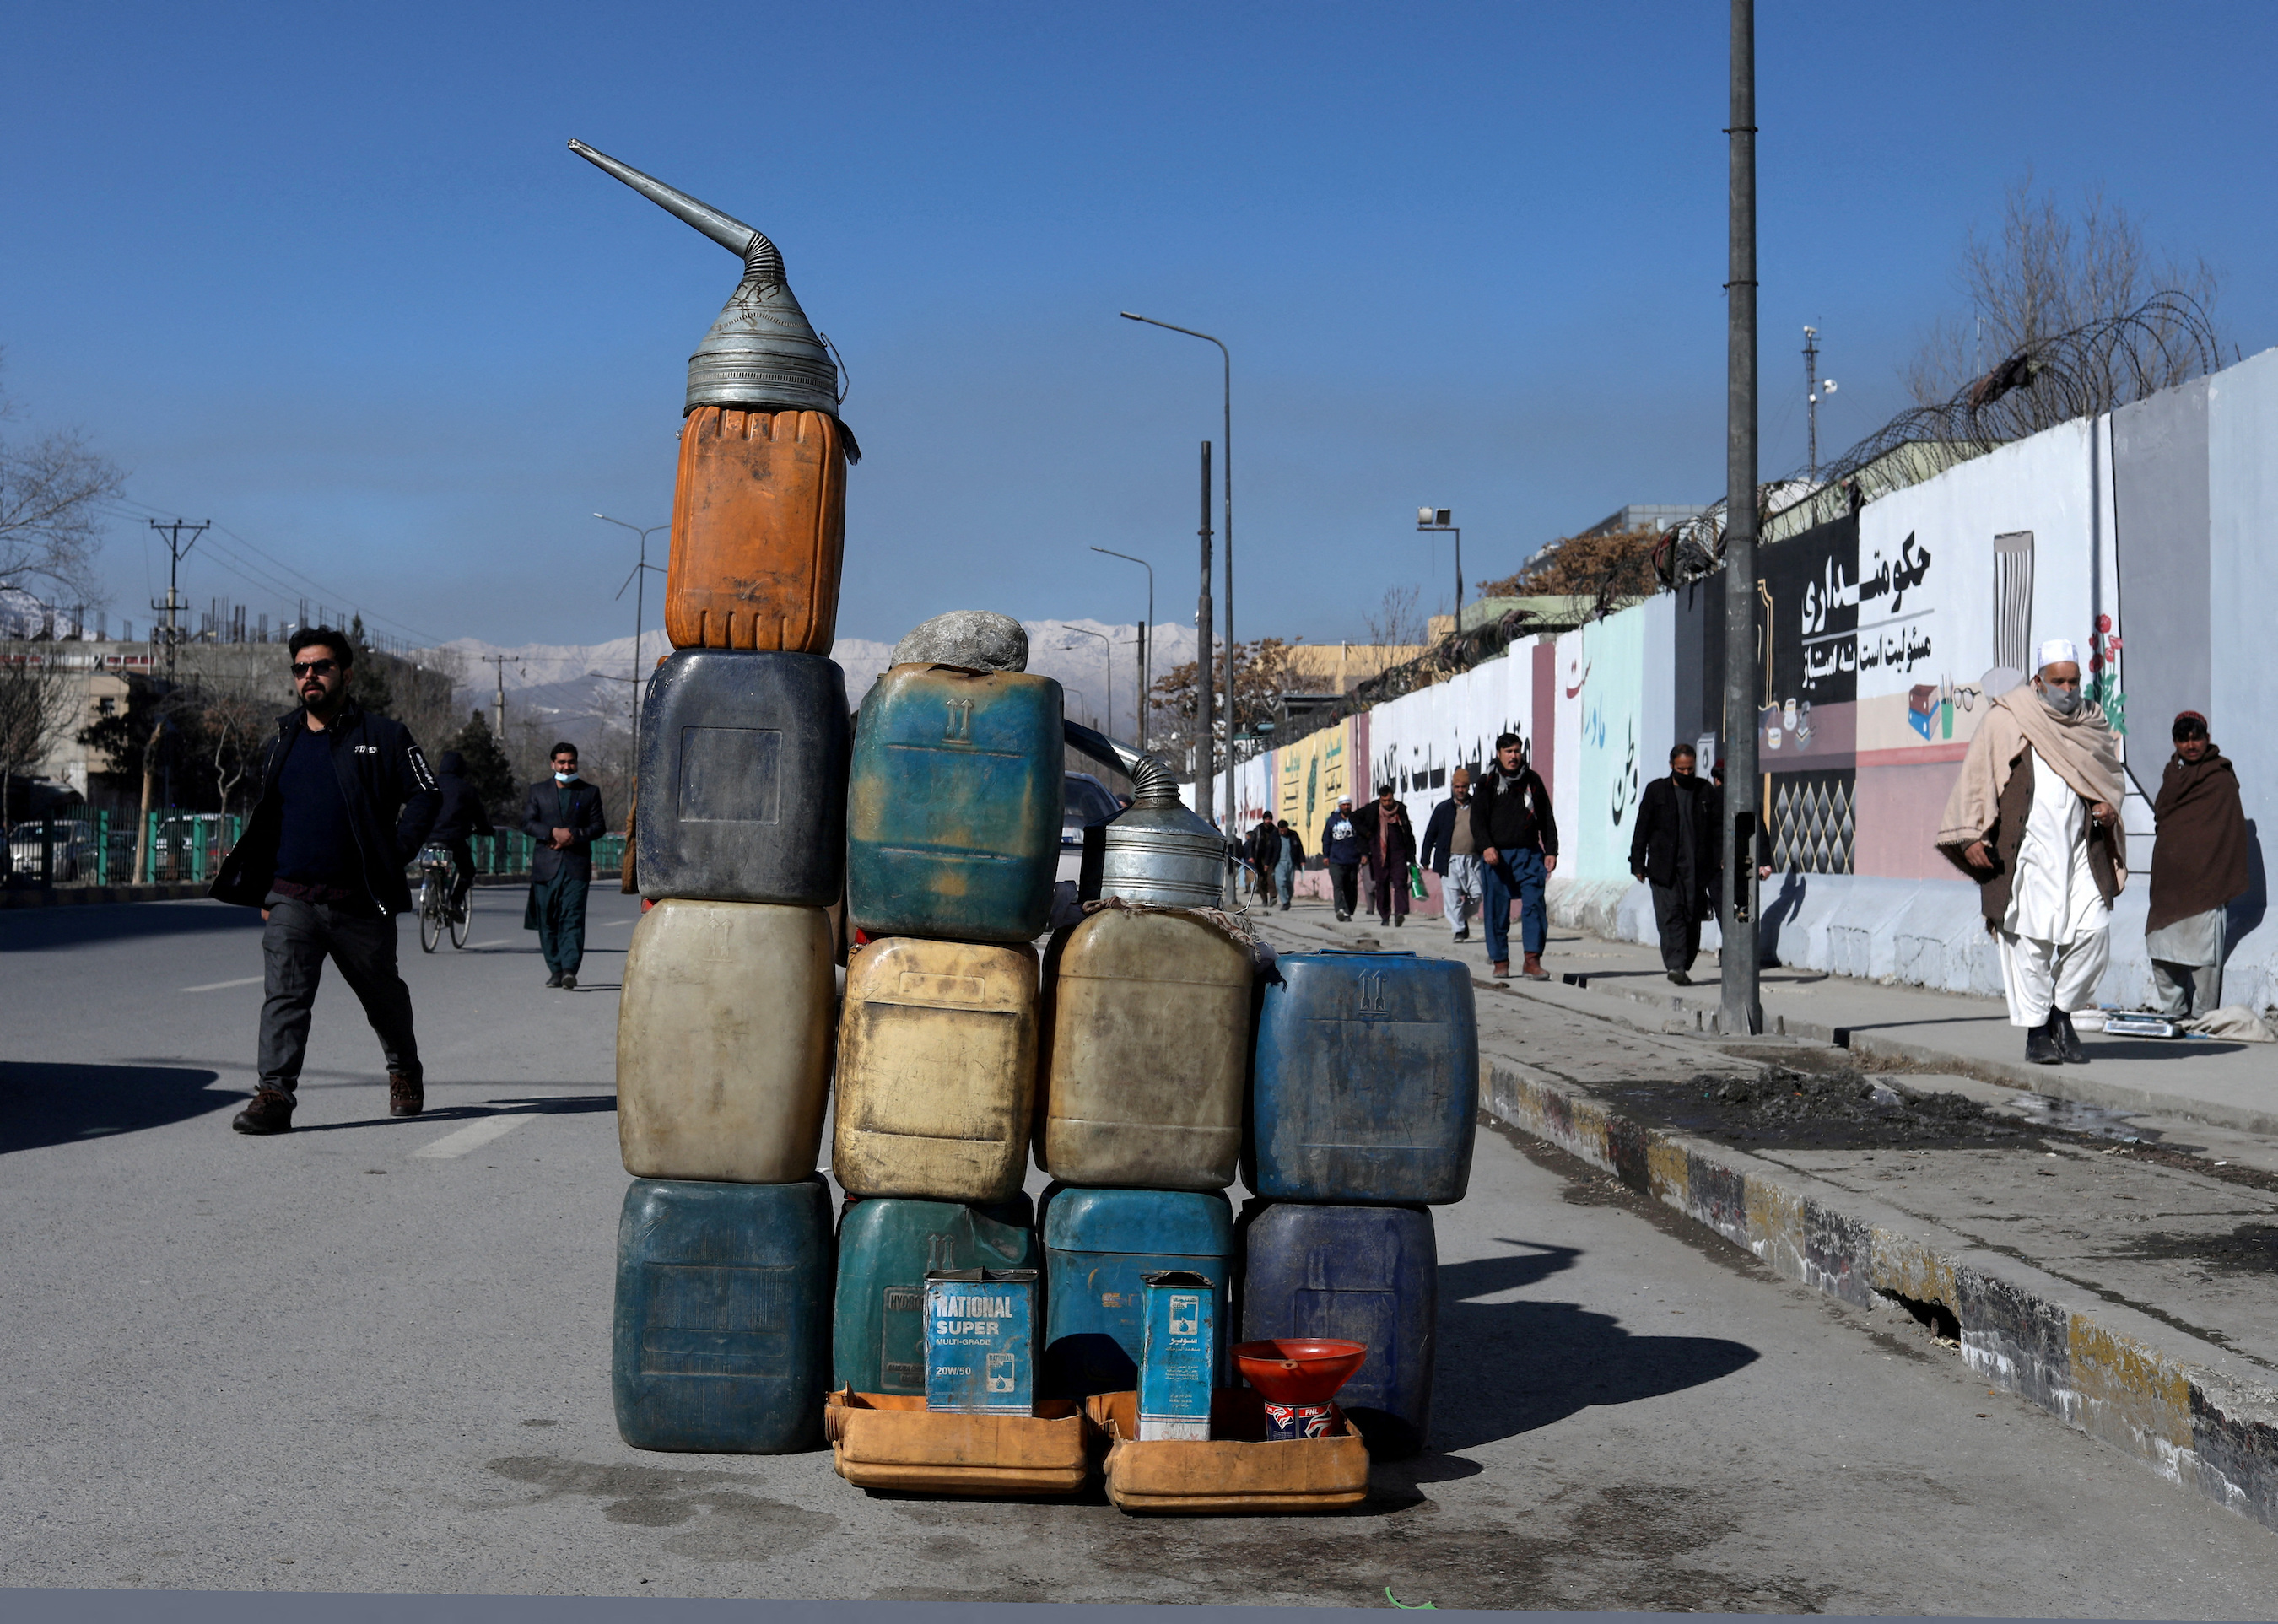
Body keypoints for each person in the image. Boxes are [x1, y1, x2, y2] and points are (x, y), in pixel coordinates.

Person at [209, 627, 441, 1134]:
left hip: (360, 900)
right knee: (285, 999)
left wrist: (395, 852)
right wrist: (267, 888)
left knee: (382, 997)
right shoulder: (282, 741)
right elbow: (271, 819)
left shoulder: (385, 736)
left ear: (346, 673)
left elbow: (427, 794)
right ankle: (274, 1094)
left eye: (321, 666)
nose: (310, 675)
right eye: (301, 668)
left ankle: (403, 1069)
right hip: (293, 897)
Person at [1936, 641, 2124, 1066]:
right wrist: (1971, 837)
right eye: (2058, 681)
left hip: (2080, 851)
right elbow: (1977, 779)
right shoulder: (2007, 719)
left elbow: (2108, 778)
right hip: (2026, 853)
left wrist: (2109, 808)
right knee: (2029, 944)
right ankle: (2037, 1032)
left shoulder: (2091, 722)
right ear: (2038, 681)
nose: (2068, 688)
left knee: (2094, 934)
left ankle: (2061, 1014)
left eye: (2074, 681)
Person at [2146, 710, 2249, 1017]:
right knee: (2160, 950)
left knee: (2204, 956)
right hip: (2169, 882)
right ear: (2175, 742)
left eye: (2197, 738)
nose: (2191, 745)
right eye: (2183, 739)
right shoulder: (2172, 775)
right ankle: (2174, 1013)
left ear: (2207, 738)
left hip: (2206, 881)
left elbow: (2227, 831)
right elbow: (2164, 818)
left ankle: (2204, 1018)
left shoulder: (2219, 776)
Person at [1471, 732, 1557, 980]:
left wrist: (1551, 849)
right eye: (1508, 752)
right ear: (1499, 754)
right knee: (1497, 909)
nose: (1514, 756)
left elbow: (1546, 817)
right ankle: (1500, 960)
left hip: (1529, 855)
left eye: (1517, 751)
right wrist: (1486, 846)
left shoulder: (1532, 781)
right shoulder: (1487, 782)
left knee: (1534, 906)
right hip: (1496, 857)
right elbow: (1477, 820)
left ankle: (1532, 960)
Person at [522, 742, 608, 990]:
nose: (567, 766)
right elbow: (527, 823)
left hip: (576, 866)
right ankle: (556, 969)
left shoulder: (589, 792)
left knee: (572, 917)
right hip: (546, 866)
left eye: (571, 762)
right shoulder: (538, 791)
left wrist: (573, 835)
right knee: (548, 920)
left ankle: (570, 968)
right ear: (553, 764)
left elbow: (598, 826)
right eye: (562, 762)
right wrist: (551, 832)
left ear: (576, 763)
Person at [1631, 745, 1717, 984]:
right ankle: (1675, 965)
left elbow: (1715, 828)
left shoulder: (1704, 791)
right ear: (1671, 766)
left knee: (1691, 917)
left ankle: (1684, 963)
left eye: (1690, 769)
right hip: (1663, 868)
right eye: (1681, 769)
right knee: (1671, 915)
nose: (1686, 773)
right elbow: (1642, 828)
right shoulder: (1657, 791)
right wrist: (1637, 862)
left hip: (1696, 868)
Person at [427, 749, 494, 920]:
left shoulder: (429, 784)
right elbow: (479, 816)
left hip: (429, 837)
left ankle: (432, 898)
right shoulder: (466, 789)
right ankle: (454, 902)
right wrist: (485, 829)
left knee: (433, 866)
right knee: (467, 870)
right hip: (453, 839)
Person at [1420, 768, 1482, 942]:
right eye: (1457, 787)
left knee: (1478, 894)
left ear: (1468, 787)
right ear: (1452, 787)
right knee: (1452, 897)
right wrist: (1425, 858)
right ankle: (1459, 930)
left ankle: (1460, 918)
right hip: (1449, 860)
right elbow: (1430, 834)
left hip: (1473, 860)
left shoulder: (1478, 807)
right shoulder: (1443, 809)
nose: (1460, 790)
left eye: (1463, 787)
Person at [1352, 782, 1417, 928]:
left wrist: (1411, 855)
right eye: (1385, 801)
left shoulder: (1400, 809)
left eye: (1390, 800)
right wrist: (1366, 833)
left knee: (1400, 882)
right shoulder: (1373, 809)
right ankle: (1385, 916)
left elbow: (1408, 832)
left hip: (1399, 853)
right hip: (1378, 854)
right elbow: (1354, 818)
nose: (1388, 804)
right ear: (1381, 799)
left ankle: (1399, 913)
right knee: (1382, 885)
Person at [1320, 794, 1363, 921]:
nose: (1346, 807)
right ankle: (1340, 909)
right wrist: (1326, 855)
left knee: (1350, 886)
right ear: (1340, 806)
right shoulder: (1332, 820)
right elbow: (1326, 839)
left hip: (1352, 859)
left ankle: (1349, 910)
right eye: (1344, 804)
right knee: (1338, 885)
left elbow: (1362, 838)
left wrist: (1363, 854)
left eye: (1348, 804)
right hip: (1336, 859)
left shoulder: (1355, 820)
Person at [1245, 812, 1282, 909]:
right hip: (1259, 858)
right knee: (1261, 879)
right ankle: (1264, 899)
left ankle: (1273, 897)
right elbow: (1252, 844)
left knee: (1271, 878)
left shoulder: (1274, 830)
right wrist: (1251, 856)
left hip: (1271, 859)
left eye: (1269, 819)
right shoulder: (1258, 830)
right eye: (1266, 819)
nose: (1268, 821)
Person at [1273, 817, 1300, 911]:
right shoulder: (1275, 836)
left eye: (1284, 829)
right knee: (1281, 882)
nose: (1282, 831)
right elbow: (1269, 850)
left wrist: (1302, 860)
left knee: (1289, 885)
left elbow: (1299, 848)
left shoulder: (1293, 835)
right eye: (1280, 830)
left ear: (1287, 828)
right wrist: (1267, 864)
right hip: (1279, 863)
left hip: (1291, 863)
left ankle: (1287, 900)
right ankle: (1285, 902)